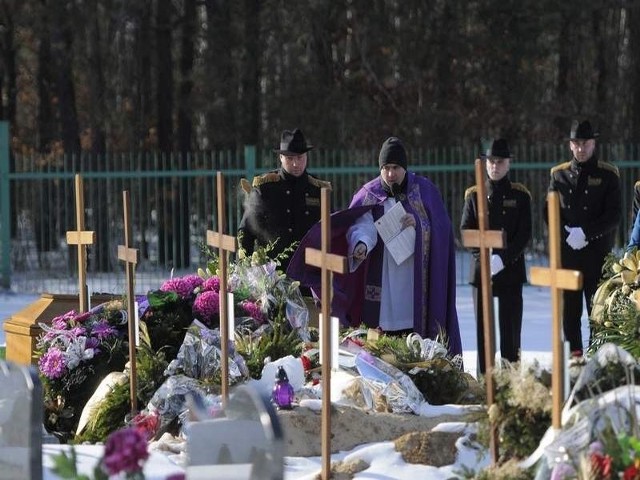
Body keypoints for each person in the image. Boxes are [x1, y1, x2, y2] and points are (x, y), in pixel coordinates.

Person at [290, 136, 462, 355]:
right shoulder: (369, 193)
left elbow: (442, 228)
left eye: (396, 168)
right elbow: (362, 224)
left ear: (405, 168)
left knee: (414, 337)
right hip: (383, 282)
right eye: (386, 168)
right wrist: (361, 244)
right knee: (384, 339)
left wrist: (418, 224)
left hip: (414, 281)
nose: (390, 174)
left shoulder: (425, 191)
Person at [548, 120, 621, 356]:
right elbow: (549, 212)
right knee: (569, 313)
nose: (581, 148)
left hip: (597, 256)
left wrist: (587, 234)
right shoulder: (558, 175)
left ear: (594, 143)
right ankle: (575, 361)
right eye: (576, 143)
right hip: (568, 255)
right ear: (570, 145)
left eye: (585, 143)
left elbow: (614, 215)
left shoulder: (608, 174)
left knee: (598, 312)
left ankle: (597, 360)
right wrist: (565, 234)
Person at [460, 139, 532, 374]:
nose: (495, 166)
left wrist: (504, 257)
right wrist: (484, 258)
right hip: (482, 272)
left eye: (500, 162)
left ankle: (511, 380)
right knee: (484, 331)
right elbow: (466, 232)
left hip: (510, 270)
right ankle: (486, 380)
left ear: (509, 163)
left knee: (510, 330)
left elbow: (524, 234)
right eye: (491, 161)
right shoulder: (474, 195)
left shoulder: (520, 195)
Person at [238, 128, 331, 272]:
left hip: (309, 273)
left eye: (300, 158)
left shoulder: (318, 190)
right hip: (272, 275)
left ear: (306, 156)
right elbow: (246, 231)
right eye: (289, 158)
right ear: (281, 157)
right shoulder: (265, 188)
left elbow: (331, 230)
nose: (295, 164)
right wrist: (246, 270)